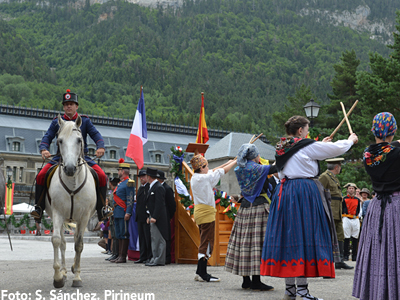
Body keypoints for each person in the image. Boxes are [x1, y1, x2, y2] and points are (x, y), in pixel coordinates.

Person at [260, 115, 358, 300]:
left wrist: (318, 144)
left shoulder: (282, 147)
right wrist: (350, 140)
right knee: (303, 236)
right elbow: (335, 149)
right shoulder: (306, 145)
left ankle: (290, 290)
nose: (307, 132)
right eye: (306, 129)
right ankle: (303, 292)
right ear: (300, 131)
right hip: (302, 193)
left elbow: (307, 153)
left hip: (284, 193)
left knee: (289, 239)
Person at [31, 89, 107, 221]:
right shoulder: (57, 122)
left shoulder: (85, 121)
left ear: (76, 106)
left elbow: (96, 135)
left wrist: (100, 146)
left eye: (71, 104)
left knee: (102, 176)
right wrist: (44, 149)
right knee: (41, 175)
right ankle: (39, 207)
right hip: (59, 157)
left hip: (82, 157)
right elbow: (47, 137)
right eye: (66, 104)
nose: (68, 106)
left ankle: (102, 209)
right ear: (63, 107)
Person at [353, 112, 400, 300]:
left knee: (378, 253)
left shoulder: (368, 154)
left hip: (377, 206)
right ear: (393, 130)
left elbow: (387, 150)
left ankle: (377, 292)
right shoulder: (397, 153)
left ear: (374, 131)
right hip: (396, 207)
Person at [225, 143, 275, 291]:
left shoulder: (240, 168)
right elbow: (275, 168)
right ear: (255, 156)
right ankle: (256, 281)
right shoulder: (256, 168)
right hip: (258, 208)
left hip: (245, 209)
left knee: (244, 243)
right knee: (256, 244)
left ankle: (246, 280)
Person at [190, 154, 237, 282]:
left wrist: (228, 161)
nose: (209, 168)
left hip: (200, 212)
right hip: (206, 213)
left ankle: (200, 272)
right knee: (207, 242)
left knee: (204, 240)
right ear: (202, 167)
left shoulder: (195, 177)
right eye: (206, 166)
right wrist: (235, 162)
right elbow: (222, 171)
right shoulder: (206, 178)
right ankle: (202, 273)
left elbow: (215, 170)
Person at [319, 158, 353, 270]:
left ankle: (339, 260)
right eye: (340, 166)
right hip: (329, 211)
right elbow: (319, 193)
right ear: (336, 167)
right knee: (328, 236)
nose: (340, 168)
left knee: (340, 235)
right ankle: (326, 261)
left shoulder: (334, 178)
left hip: (337, 211)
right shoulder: (324, 177)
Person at [110, 159, 135, 263]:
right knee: (119, 233)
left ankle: (123, 256)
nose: (118, 172)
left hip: (123, 211)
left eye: (119, 170)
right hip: (117, 211)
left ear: (123, 171)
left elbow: (130, 199)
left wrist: (128, 212)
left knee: (124, 233)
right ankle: (119, 255)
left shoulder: (129, 183)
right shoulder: (121, 183)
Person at [145, 167, 169, 266]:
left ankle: (159, 259)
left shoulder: (158, 187)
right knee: (154, 238)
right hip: (153, 216)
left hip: (158, 218)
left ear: (149, 176)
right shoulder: (152, 186)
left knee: (159, 239)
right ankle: (155, 257)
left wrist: (154, 216)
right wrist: (149, 215)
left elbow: (159, 204)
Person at [157, 170, 176, 264]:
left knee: (166, 237)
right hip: (159, 216)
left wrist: (169, 216)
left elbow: (172, 204)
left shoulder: (167, 188)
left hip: (166, 216)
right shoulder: (158, 187)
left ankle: (167, 257)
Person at [134, 170, 152, 264]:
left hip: (146, 216)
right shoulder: (140, 188)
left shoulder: (149, 187)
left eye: (143, 176)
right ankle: (143, 256)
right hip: (140, 216)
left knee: (147, 238)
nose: (141, 178)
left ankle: (149, 256)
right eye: (140, 177)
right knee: (141, 238)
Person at [342, 183, 362, 262]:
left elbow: (359, 210)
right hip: (346, 218)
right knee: (346, 237)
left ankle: (354, 256)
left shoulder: (357, 199)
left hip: (355, 218)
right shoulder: (344, 199)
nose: (351, 190)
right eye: (350, 188)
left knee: (355, 237)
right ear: (347, 189)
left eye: (352, 188)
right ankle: (346, 255)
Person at [106, 177, 120, 261]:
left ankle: (116, 253)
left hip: (115, 214)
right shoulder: (113, 191)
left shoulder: (116, 191)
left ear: (111, 183)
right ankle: (114, 253)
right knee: (114, 235)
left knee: (115, 235)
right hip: (112, 216)